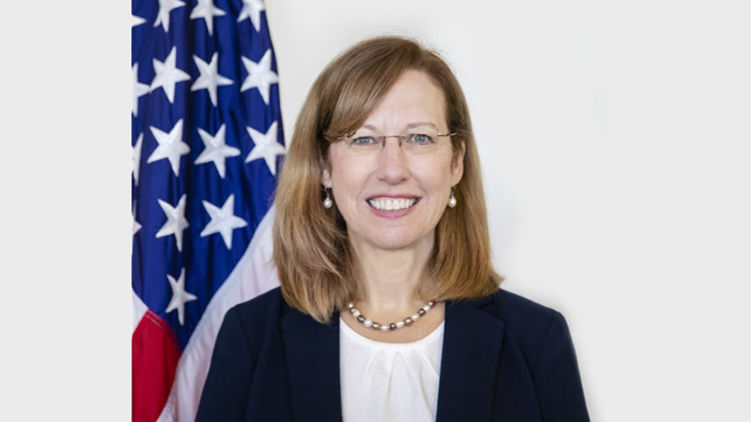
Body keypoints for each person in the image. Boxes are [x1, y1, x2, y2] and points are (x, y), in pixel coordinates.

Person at [196, 36, 589, 422]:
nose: (393, 170)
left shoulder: (536, 340)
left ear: (456, 162)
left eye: (419, 138)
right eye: (363, 139)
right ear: (324, 166)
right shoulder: (250, 338)